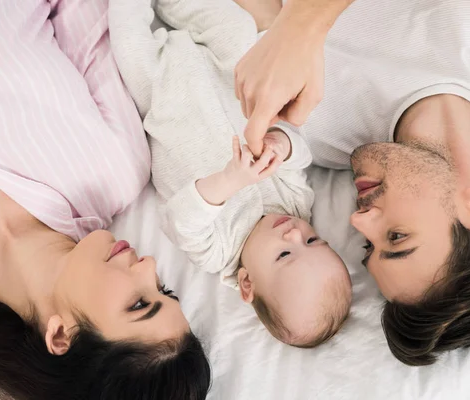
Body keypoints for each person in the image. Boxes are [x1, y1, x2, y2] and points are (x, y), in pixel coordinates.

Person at [235, 0, 470, 365]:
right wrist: (303, 25)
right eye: (396, 237)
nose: (358, 220)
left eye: (369, 245)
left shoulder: (313, 135)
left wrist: (286, 26)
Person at [0, 1, 210, 399]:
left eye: (138, 303)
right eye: (163, 289)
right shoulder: (117, 166)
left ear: (61, 335)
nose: (149, 265)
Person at [108, 0, 351, 348]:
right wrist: (281, 146)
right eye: (314, 241)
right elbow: (300, 156)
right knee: (236, 27)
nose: (296, 236)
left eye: (285, 255)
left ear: (248, 283)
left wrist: (231, 180)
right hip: (226, 72)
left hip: (164, 94)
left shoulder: (218, 251)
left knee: (129, 46)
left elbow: (181, 220)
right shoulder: (295, 204)